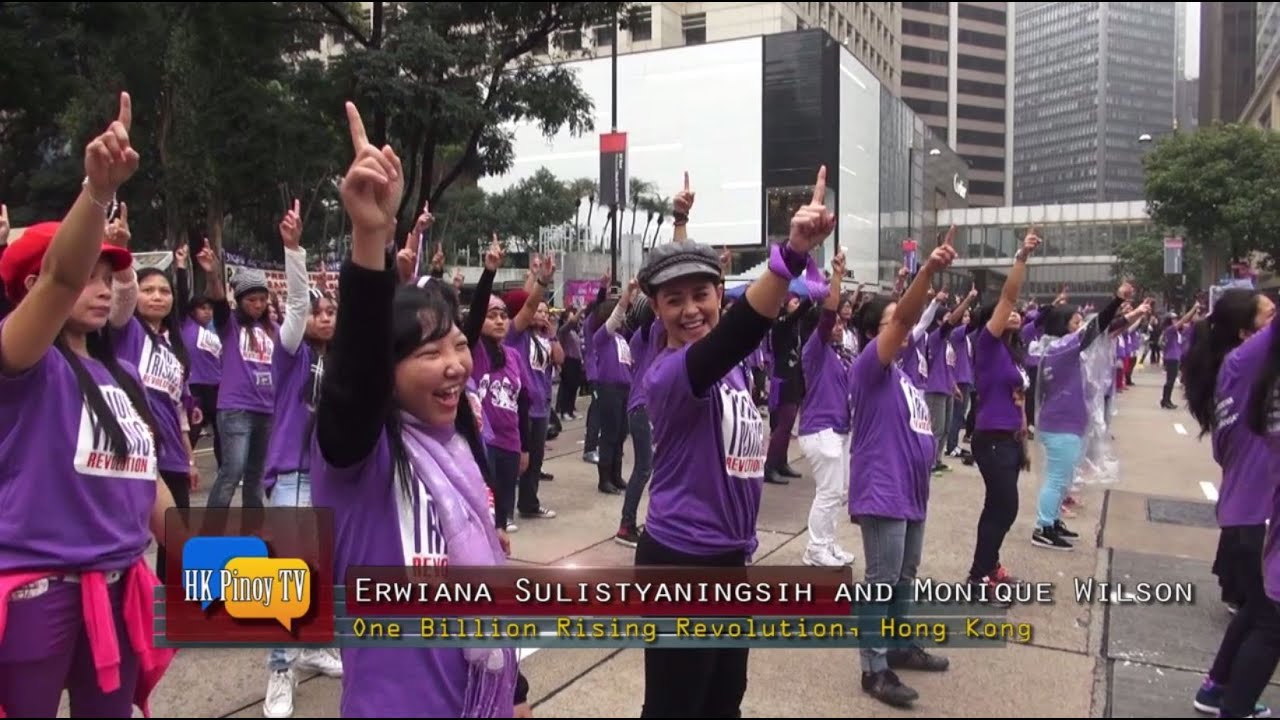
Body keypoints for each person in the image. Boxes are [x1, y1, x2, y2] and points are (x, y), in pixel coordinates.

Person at [311, 101, 529, 718]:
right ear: (388, 369)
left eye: (458, 346)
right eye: (430, 353)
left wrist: (514, 691)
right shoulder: (360, 459)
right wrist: (370, 236)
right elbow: (354, 376)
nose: (455, 365)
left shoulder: (456, 453)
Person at [0, 91, 176, 717]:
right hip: (39, 598)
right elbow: (59, 278)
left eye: (109, 278)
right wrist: (97, 193)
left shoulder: (121, 373)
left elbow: (146, 485)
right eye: (92, 277)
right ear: (31, 287)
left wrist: (231, 572)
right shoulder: (22, 361)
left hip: (122, 588)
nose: (103, 290)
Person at [634, 167, 832, 717]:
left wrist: (682, 226)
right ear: (657, 310)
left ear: (720, 293)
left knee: (724, 700)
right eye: (673, 301)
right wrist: (792, 252)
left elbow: (734, 329)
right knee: (676, 708)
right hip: (680, 564)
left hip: (728, 559)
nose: (689, 309)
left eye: (702, 294)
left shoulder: (735, 370)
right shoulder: (671, 374)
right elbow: (736, 332)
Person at [847, 236, 957, 709]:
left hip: (911, 493)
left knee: (905, 574)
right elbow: (907, 318)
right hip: (883, 491)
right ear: (874, 333)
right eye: (894, 323)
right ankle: (874, 669)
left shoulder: (904, 376)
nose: (905, 329)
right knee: (881, 578)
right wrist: (926, 273)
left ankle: (899, 643)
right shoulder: (869, 368)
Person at [260, 201, 344, 718]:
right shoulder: (291, 354)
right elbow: (294, 306)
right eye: (319, 312)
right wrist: (294, 252)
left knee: (325, 574)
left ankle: (314, 646)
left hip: (332, 478)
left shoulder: (342, 361)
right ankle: (279, 668)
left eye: (332, 311)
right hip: (292, 475)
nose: (324, 317)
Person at [1180, 289, 1277, 718]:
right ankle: (1232, 704)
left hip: (1246, 515)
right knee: (1271, 622)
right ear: (1245, 333)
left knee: (1258, 611)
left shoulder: (1237, 373)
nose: (1274, 319)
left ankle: (1217, 688)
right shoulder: (1244, 363)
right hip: (1257, 517)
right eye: (1268, 315)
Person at [1030, 285, 1143, 549]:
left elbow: (1104, 330)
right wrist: (1117, 300)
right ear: (1063, 324)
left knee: (1064, 478)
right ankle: (1043, 526)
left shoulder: (1057, 348)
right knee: (1057, 479)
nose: (1080, 327)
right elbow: (1097, 328)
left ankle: (1053, 520)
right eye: (1075, 322)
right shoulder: (1062, 347)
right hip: (1061, 424)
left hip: (1069, 423)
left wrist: (1133, 313)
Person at [966, 228, 1039, 591]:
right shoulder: (988, 344)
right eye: (1005, 313)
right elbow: (1009, 296)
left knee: (999, 507)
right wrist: (1021, 258)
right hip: (991, 439)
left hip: (1009, 439)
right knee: (1004, 507)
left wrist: (1022, 435)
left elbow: (1018, 397)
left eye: (1016, 313)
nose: (1014, 313)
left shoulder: (1012, 352)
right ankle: (978, 574)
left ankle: (989, 566)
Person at [797, 248, 857, 568]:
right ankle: (816, 548)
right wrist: (836, 276)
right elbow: (828, 314)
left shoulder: (838, 354)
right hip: (821, 430)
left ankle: (828, 543)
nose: (839, 327)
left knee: (839, 492)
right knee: (829, 492)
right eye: (833, 324)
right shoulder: (815, 350)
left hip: (839, 429)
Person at [1160, 304, 1198, 409]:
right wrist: (1193, 308)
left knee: (1171, 380)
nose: (1176, 320)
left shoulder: (1175, 332)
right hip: (1171, 357)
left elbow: (1189, 323)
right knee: (1170, 380)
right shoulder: (1170, 330)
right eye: (1174, 319)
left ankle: (1166, 399)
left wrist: (1195, 314)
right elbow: (1184, 320)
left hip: (1174, 357)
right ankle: (1165, 400)